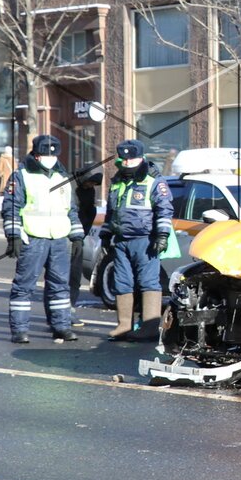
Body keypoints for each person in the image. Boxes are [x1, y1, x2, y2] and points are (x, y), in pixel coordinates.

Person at [1, 135, 83, 344]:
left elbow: (71, 209)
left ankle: (61, 326)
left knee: (59, 285)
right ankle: (19, 330)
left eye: (54, 155)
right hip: (33, 238)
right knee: (24, 285)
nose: (51, 158)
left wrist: (76, 236)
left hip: (58, 238)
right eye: (46, 155)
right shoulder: (21, 176)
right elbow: (11, 207)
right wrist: (13, 236)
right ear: (36, 155)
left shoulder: (62, 177)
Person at [101, 139, 173, 341]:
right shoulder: (117, 181)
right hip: (121, 239)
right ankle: (124, 325)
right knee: (122, 282)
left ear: (140, 159)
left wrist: (162, 236)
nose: (126, 164)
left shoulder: (154, 181)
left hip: (145, 240)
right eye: (123, 160)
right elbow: (111, 212)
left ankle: (150, 327)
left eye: (130, 160)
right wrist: (106, 234)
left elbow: (164, 210)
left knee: (148, 282)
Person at [68, 165, 104, 309]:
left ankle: (70, 306)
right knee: (61, 276)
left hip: (78, 237)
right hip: (62, 235)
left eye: (94, 185)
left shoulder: (89, 191)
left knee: (75, 276)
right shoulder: (68, 185)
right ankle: (59, 313)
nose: (91, 186)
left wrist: (82, 233)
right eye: (90, 182)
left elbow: (90, 212)